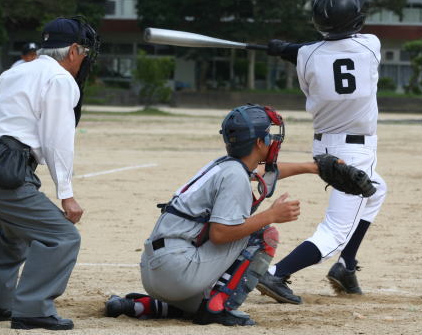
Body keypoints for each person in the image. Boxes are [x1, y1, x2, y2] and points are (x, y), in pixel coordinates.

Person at [104, 104, 324, 326]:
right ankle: (218, 308)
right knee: (263, 234)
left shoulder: (223, 166)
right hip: (178, 270)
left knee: (196, 307)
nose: (271, 140)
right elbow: (220, 234)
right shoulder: (235, 176)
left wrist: (312, 168)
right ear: (258, 142)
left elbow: (264, 174)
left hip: (155, 271)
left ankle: (140, 306)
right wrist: (271, 215)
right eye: (267, 135)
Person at [254, 0, 388, 304]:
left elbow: (310, 53)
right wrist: (288, 47)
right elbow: (332, 49)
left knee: (378, 189)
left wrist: (283, 48)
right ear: (355, 21)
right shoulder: (371, 45)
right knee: (336, 231)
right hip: (355, 152)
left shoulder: (305, 56)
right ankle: (276, 274)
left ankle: (346, 265)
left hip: (324, 149)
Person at [0, 16, 99, 330]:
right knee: (62, 238)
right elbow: (56, 140)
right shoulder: (59, 79)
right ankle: (33, 309)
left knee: (16, 234)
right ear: (73, 51)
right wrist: (66, 195)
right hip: (7, 173)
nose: (85, 59)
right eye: (85, 53)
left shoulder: (17, 69)